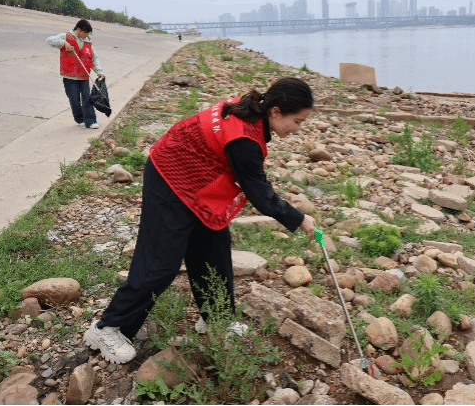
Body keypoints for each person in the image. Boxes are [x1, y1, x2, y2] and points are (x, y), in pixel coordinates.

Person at [83, 77, 317, 364]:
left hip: (198, 178)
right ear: (276, 112)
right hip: (170, 175)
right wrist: (298, 218)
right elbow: (260, 193)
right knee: (161, 261)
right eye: (297, 121)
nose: (297, 129)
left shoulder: (252, 112)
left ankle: (217, 317)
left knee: (213, 247)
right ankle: (108, 328)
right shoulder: (244, 137)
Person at [46, 19, 105, 129]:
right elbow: (49, 40)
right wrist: (63, 43)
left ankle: (91, 121)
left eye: (88, 33)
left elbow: (94, 59)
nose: (87, 35)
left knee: (87, 98)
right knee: (74, 100)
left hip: (83, 75)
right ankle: (80, 119)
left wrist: (99, 72)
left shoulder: (88, 43)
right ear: (79, 30)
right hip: (69, 75)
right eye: (86, 32)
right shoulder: (65, 36)